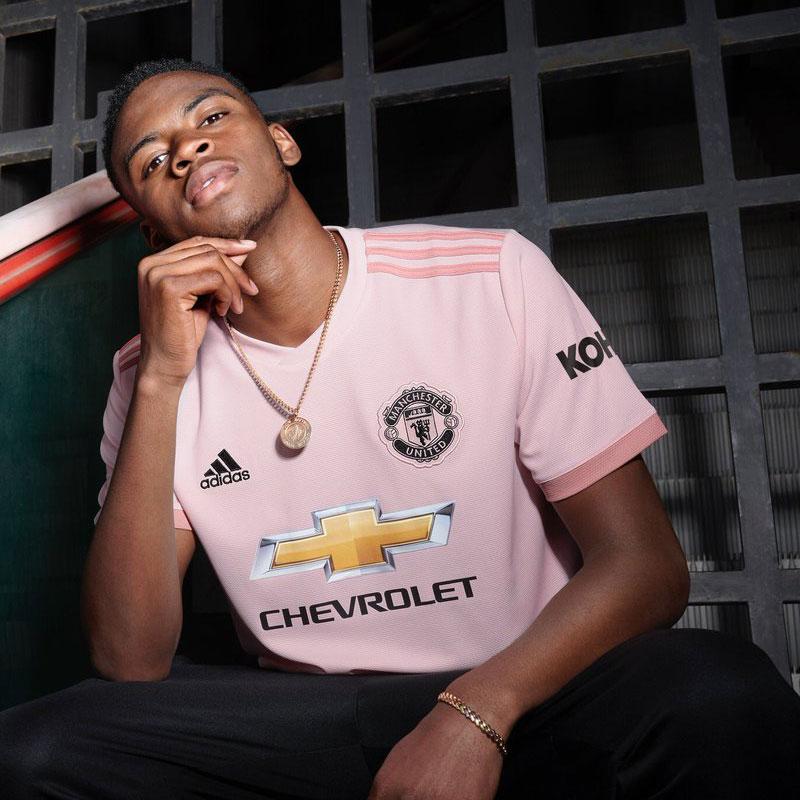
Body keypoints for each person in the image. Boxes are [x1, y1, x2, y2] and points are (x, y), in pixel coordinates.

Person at [1, 57, 798, 800]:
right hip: (306, 713)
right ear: (152, 235)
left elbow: (647, 566)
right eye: (152, 160)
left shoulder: (489, 277)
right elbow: (128, 657)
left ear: (281, 143)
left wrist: (477, 712)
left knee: (719, 692)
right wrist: (164, 379)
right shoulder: (148, 373)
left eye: (210, 116)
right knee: (34, 750)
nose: (186, 149)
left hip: (522, 688)